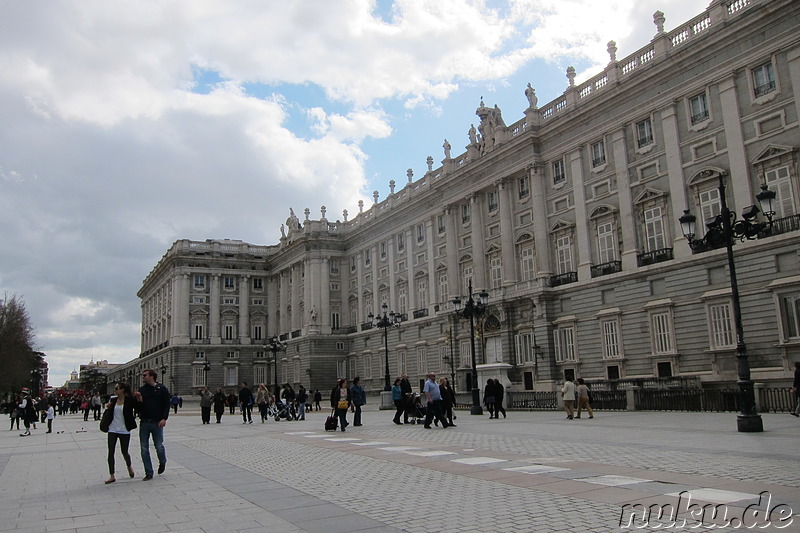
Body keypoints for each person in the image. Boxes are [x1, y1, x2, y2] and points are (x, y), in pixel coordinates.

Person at [134, 369, 171, 480]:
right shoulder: (142, 390)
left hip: (157, 422)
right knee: (144, 448)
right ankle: (148, 472)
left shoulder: (162, 389)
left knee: (159, 446)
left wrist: (164, 418)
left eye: (145, 375)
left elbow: (166, 405)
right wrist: (139, 401)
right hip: (145, 422)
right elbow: (138, 409)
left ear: (152, 376)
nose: (143, 377)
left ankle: (162, 461)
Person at [104, 382, 137, 484]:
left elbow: (139, 408)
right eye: (115, 388)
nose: (115, 390)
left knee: (124, 451)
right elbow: (110, 412)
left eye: (117, 388)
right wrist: (108, 407)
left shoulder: (129, 401)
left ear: (122, 390)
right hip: (112, 429)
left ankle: (129, 466)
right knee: (111, 452)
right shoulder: (113, 400)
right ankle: (112, 475)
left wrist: (139, 399)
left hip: (124, 430)